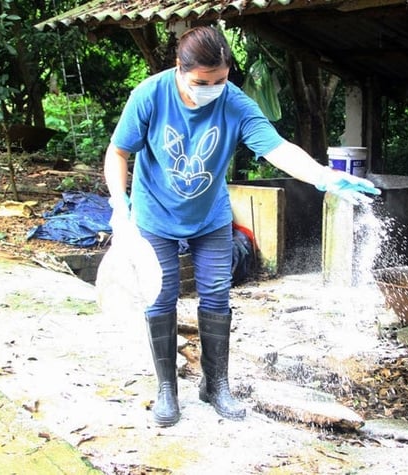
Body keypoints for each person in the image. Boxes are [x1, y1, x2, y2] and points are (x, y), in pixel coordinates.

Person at [103, 25, 380, 427]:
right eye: (202, 82)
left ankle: (215, 385)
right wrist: (118, 202)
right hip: (154, 215)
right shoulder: (150, 95)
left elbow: (277, 147)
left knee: (216, 298)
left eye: (220, 80)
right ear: (180, 70)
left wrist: (324, 175)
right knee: (159, 298)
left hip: (211, 216)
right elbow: (118, 151)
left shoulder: (234, 102)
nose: (212, 89)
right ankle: (167, 388)